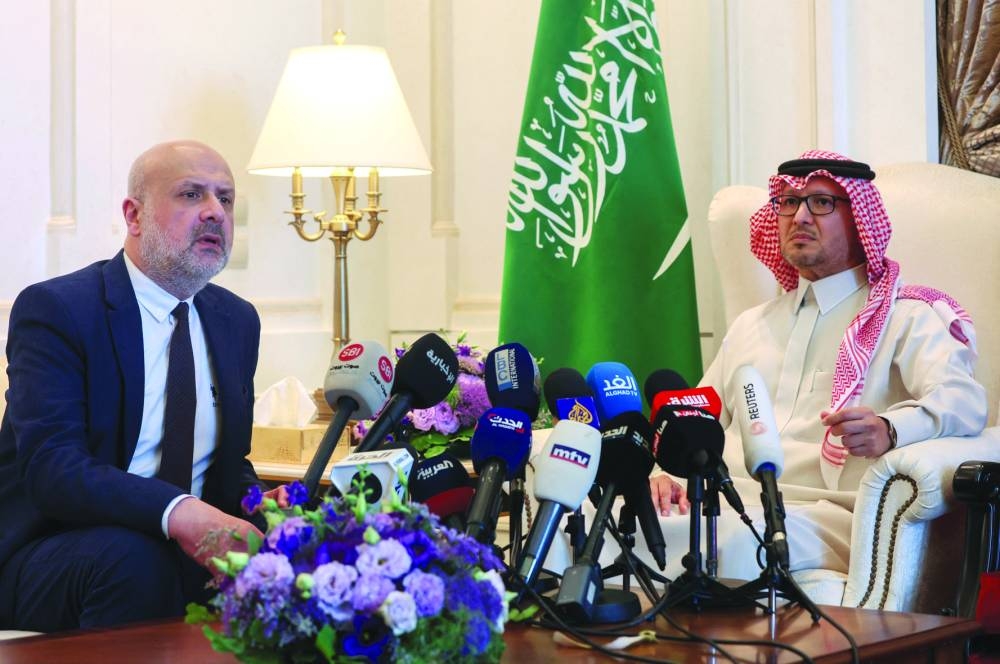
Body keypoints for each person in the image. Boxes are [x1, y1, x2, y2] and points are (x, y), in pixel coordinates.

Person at [648, 150, 988, 601]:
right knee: (613, 521)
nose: (800, 216)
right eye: (789, 202)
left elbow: (965, 402)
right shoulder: (751, 324)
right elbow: (696, 420)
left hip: (826, 513)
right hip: (723, 499)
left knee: (724, 542)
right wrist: (664, 473)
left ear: (859, 219)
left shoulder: (905, 316)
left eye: (822, 202)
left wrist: (891, 428)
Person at [0, 140, 288, 632]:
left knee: (307, 548)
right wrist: (179, 513)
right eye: (191, 195)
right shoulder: (59, 311)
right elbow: (54, 469)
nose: (215, 212)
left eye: (225, 198)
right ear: (134, 215)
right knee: (136, 559)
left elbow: (226, 465)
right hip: (52, 547)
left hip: (172, 545)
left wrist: (261, 507)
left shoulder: (236, 320)